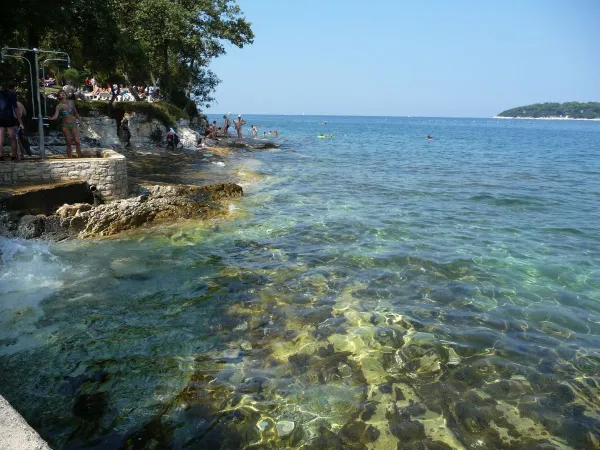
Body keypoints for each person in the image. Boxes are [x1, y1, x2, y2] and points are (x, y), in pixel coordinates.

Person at [48, 90, 83, 158]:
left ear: (66, 95)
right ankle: (70, 158)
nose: (63, 94)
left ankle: (80, 157)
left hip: (73, 124)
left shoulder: (71, 102)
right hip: (65, 126)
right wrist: (51, 118)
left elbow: (76, 113)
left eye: (64, 93)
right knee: (69, 143)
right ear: (59, 97)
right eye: (61, 93)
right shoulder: (59, 106)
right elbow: (56, 116)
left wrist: (80, 121)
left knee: (77, 142)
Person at [0, 85, 23, 161]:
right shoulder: (12, 95)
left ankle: (0, 156)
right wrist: (20, 122)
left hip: (1, 117)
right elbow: (16, 109)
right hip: (9, 117)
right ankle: (13, 156)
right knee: (12, 138)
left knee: (0, 139)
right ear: (12, 89)